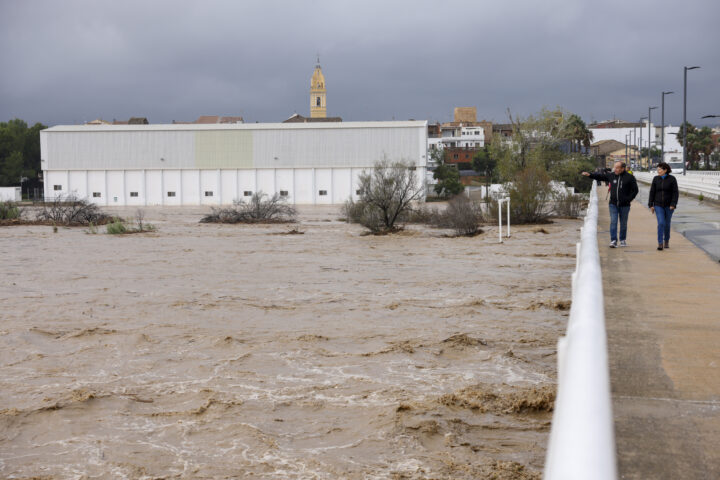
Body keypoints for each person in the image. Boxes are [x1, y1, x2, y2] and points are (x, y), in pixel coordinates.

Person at [582, 161, 639, 248]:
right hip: (613, 204)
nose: (615, 169)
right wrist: (590, 174)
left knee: (623, 223)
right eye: (614, 167)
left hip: (625, 205)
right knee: (613, 222)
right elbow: (600, 177)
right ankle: (613, 240)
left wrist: (628, 199)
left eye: (617, 167)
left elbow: (635, 190)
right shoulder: (611, 175)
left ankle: (622, 240)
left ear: (622, 168)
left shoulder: (630, 177)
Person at [648, 162, 679, 251]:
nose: (658, 171)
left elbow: (675, 193)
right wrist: (651, 204)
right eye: (657, 169)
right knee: (661, 223)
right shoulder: (656, 179)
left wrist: (673, 204)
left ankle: (666, 240)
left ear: (665, 170)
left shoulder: (672, 179)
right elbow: (652, 192)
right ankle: (660, 243)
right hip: (658, 205)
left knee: (667, 224)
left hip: (669, 206)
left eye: (659, 169)